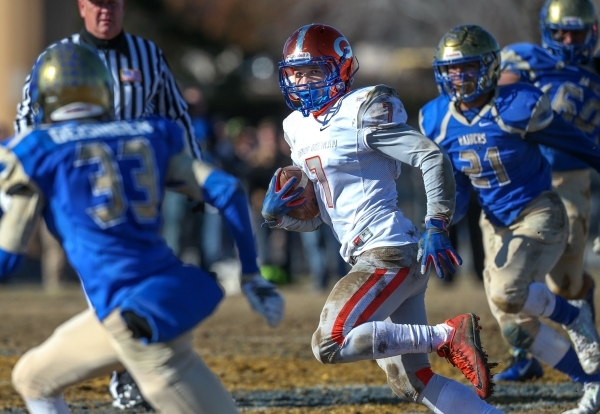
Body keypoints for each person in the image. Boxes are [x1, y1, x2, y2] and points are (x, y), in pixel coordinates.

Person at [3, 42, 284, 414]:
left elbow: (7, 260)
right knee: (32, 378)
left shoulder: (36, 149)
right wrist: (250, 273)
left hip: (137, 322)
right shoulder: (149, 133)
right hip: (146, 300)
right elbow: (228, 190)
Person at [262, 23, 502, 413]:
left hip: (388, 251)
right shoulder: (296, 127)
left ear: (340, 69)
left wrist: (437, 222)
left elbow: (430, 156)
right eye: (295, 72)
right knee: (412, 382)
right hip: (369, 253)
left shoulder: (363, 108)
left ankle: (446, 333)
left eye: (313, 71)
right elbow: (323, 213)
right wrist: (280, 217)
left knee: (329, 343)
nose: (302, 80)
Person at [419, 24, 600, 414]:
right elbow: (459, 184)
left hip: (539, 212)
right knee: (516, 326)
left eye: (467, 68)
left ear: (488, 68)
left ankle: (574, 315)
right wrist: (440, 223)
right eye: (451, 70)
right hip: (494, 223)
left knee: (506, 293)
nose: (459, 78)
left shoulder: (518, 104)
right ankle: (594, 382)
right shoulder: (436, 118)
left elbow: (580, 145)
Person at [14, 0, 200, 295]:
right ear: (82, 7)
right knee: (66, 258)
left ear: (124, 6)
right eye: (98, 4)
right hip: (72, 178)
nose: (106, 11)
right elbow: (27, 114)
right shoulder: (55, 57)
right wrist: (29, 168)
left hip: (133, 180)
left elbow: (175, 115)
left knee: (135, 263)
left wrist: (194, 173)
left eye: (112, 4)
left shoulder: (148, 56)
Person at [495, 0, 600, 383]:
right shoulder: (524, 58)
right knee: (518, 268)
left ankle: (587, 333)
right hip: (525, 178)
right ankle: (524, 353)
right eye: (561, 32)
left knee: (566, 281)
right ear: (547, 31)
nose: (569, 39)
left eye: (576, 32)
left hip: (573, 180)